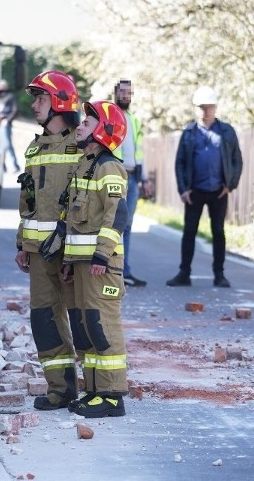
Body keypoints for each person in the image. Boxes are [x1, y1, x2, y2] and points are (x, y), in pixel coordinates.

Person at [14, 70, 81, 410]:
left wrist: (75, 251)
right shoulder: (34, 148)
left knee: (84, 320)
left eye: (40, 98)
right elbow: (28, 202)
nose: (34, 104)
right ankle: (61, 388)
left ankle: (104, 390)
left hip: (73, 252)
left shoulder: (83, 147)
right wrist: (22, 243)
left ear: (58, 103)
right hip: (39, 253)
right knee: (44, 318)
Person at [60, 100, 129, 418]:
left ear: (104, 131)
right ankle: (94, 391)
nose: (79, 126)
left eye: (87, 123)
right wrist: (68, 261)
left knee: (103, 327)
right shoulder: (83, 166)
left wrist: (102, 253)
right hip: (82, 264)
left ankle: (112, 396)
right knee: (85, 327)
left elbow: (118, 216)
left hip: (101, 264)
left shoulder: (109, 167)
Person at [166, 86, 243, 288]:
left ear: (215, 107)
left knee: (218, 231)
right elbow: (180, 162)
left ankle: (219, 275)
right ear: (196, 108)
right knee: (189, 231)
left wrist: (230, 184)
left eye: (209, 107)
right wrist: (183, 189)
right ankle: (184, 274)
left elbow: (237, 160)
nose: (205, 111)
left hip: (219, 191)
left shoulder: (227, 131)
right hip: (195, 192)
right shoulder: (189, 132)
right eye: (201, 107)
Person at [113, 79, 147, 287]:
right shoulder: (110, 116)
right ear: (115, 92)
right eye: (123, 92)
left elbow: (139, 150)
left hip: (133, 178)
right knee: (113, 223)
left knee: (127, 225)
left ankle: (124, 270)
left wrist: (143, 178)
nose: (126, 95)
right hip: (115, 175)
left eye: (129, 92)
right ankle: (113, 269)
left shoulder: (134, 120)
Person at [0, 80, 21, 172]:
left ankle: (15, 166)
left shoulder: (10, 97)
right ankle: (2, 166)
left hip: (5, 123)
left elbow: (15, 110)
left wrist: (8, 120)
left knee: (8, 145)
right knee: (0, 145)